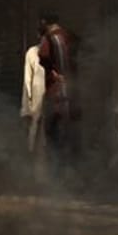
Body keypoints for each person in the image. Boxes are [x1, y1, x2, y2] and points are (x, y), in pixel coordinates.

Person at [37, 13, 78, 175]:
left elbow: (43, 56)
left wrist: (53, 72)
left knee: (55, 137)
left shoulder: (50, 39)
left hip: (57, 95)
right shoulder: (70, 37)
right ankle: (75, 175)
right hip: (74, 94)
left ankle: (58, 178)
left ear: (43, 21)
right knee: (72, 134)